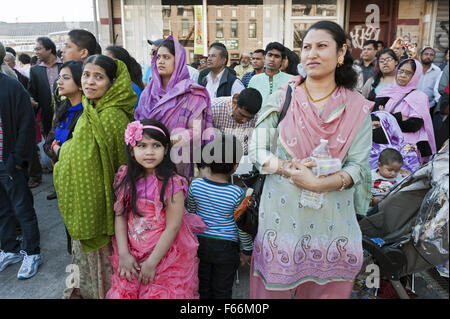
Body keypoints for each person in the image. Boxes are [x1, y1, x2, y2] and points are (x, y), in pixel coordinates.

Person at [248, 20, 373, 299]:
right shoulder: (283, 97)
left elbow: (359, 166)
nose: (311, 54)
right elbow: (256, 150)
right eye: (306, 47)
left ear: (341, 53)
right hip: (281, 218)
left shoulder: (356, 108)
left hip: (333, 222)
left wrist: (318, 184)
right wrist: (286, 169)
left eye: (321, 46)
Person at [54, 55, 136, 299]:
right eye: (86, 75)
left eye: (98, 77)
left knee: (105, 274)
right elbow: (81, 151)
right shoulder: (92, 109)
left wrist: (62, 151)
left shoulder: (112, 116)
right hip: (88, 203)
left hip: (103, 210)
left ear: (113, 83)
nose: (89, 82)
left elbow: (104, 164)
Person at [106, 119, 205, 299]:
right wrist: (123, 254)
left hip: (165, 258)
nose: (149, 152)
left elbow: (173, 227)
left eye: (156, 145)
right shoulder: (125, 178)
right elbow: (120, 215)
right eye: (142, 145)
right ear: (131, 149)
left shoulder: (172, 183)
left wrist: (152, 262)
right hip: (132, 255)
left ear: (166, 149)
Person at [135, 37, 214, 180]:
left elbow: (196, 131)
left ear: (178, 61)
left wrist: (168, 141)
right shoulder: (149, 92)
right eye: (158, 57)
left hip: (179, 161)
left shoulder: (192, 93)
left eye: (167, 57)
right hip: (149, 158)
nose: (160, 61)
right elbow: (139, 122)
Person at [187, 135, 253, 299]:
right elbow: (240, 225)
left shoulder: (195, 185)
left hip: (199, 244)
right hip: (226, 248)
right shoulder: (237, 193)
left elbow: (192, 214)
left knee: (202, 289)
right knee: (222, 291)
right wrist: (247, 249)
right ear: (235, 166)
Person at [0, 58, 42, 280]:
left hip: (9, 162)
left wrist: (17, 159)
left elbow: (27, 124)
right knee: (2, 210)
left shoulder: (11, 86)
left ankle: (32, 252)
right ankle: (9, 249)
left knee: (22, 208)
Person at [377, 59, 436, 164]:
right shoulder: (387, 91)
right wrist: (401, 118)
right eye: (400, 71)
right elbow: (376, 117)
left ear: (415, 76)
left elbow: (413, 125)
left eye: (408, 73)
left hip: (408, 150)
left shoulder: (419, 97)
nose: (403, 75)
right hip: (384, 145)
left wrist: (387, 116)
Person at [28, 37, 63, 188]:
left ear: (49, 49)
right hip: (48, 116)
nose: (36, 52)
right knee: (52, 147)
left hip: (67, 113)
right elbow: (32, 92)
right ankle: (58, 185)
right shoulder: (35, 70)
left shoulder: (65, 66)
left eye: (38, 49)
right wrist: (32, 101)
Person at [211, 88, 262, 154]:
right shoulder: (213, 108)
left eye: (249, 118)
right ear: (235, 102)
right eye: (242, 115)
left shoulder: (257, 117)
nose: (244, 120)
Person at [370, 111, 421, 176]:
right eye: (370, 127)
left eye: (377, 126)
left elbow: (414, 175)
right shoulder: (365, 149)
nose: (373, 129)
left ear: (389, 126)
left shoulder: (406, 150)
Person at [248, 42, 292, 107]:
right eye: (270, 55)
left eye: (277, 56)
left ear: (282, 61)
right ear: (265, 57)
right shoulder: (255, 79)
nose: (272, 59)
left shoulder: (290, 80)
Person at [417, 46, 442, 111]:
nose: (428, 56)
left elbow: (437, 88)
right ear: (421, 55)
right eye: (426, 54)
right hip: (412, 104)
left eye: (431, 55)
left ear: (434, 57)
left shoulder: (437, 71)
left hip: (429, 106)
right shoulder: (414, 68)